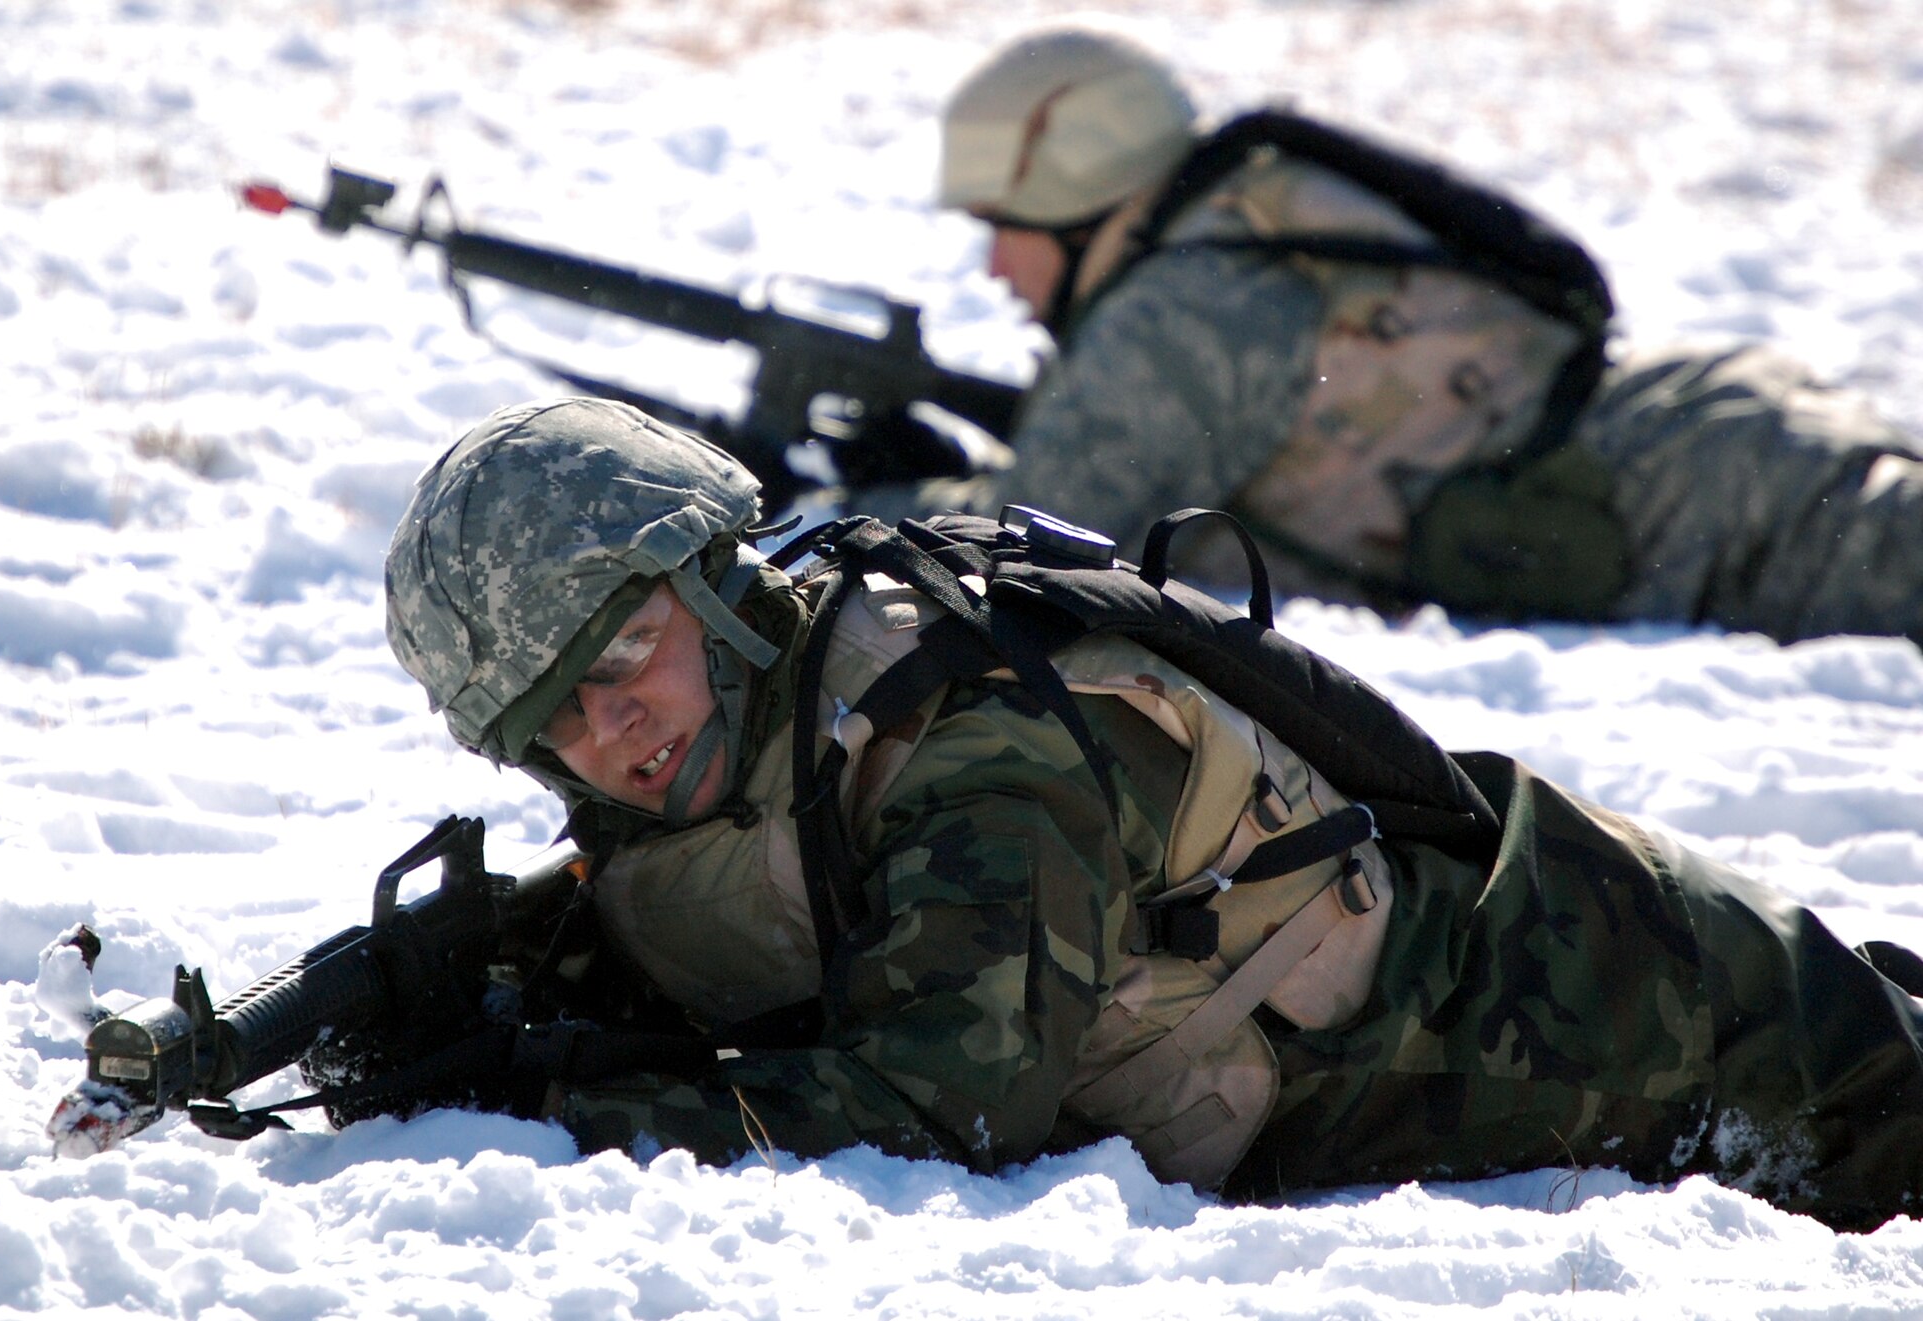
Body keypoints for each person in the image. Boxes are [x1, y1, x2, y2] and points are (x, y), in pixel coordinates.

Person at [377, 394, 1923, 1231]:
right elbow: (704, 912)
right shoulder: (745, 720)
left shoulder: (969, 744)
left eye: (626, 657)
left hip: (1621, 1017)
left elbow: (937, 1117)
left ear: (712, 584)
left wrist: (534, 1107)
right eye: (552, 723)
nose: (612, 733)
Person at [932, 19, 1923, 646]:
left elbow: (1020, 546)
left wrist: (884, 486)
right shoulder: (1233, 239)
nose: (992, 271)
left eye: (1002, 231)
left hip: (1729, 508)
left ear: (1075, 197)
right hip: (1715, 444)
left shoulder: (1182, 306)